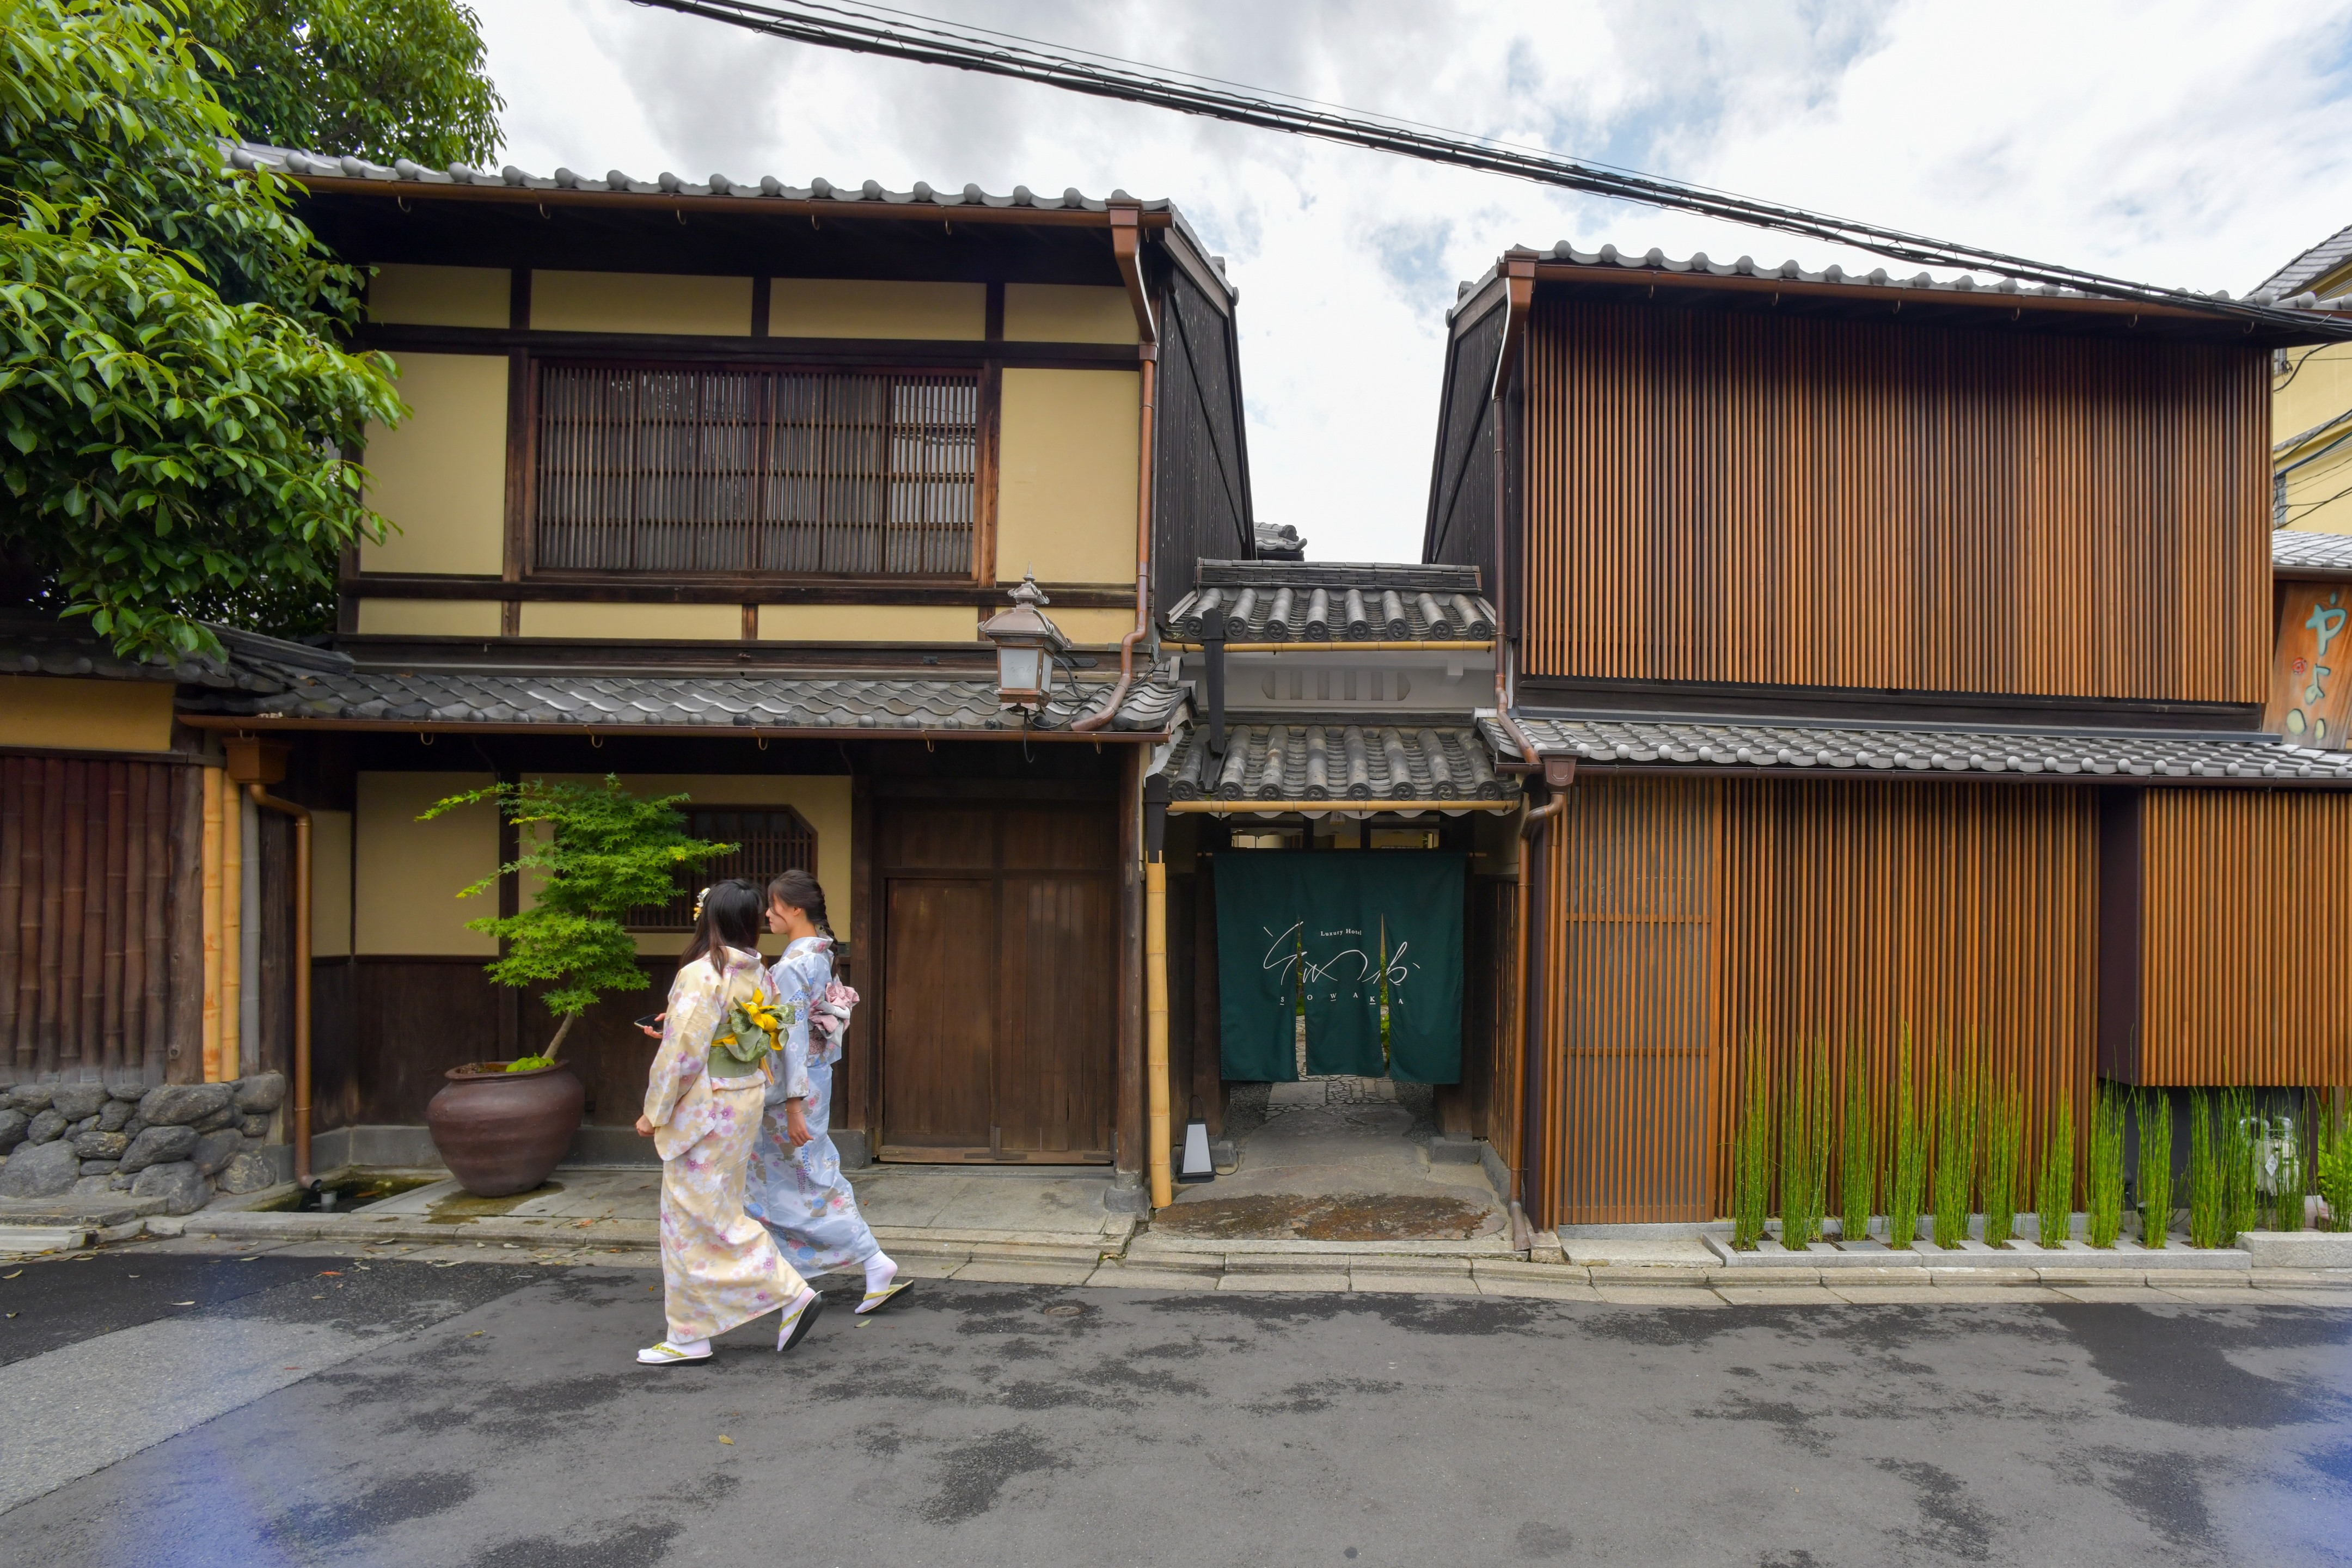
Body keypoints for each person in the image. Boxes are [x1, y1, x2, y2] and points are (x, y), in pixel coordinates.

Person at [634, 879, 826, 1365]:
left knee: (695, 1220)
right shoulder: (756, 973)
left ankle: (786, 1292)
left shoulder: (704, 973)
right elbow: (746, 1036)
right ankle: (691, 1331)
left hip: (705, 1110)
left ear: (709, 918)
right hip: (741, 1101)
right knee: (710, 1214)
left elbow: (682, 1055)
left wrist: (653, 1111)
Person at [744, 868, 911, 1315]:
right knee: (788, 1177)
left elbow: (795, 1035)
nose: (767, 914)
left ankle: (869, 1260)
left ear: (795, 909)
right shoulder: (817, 956)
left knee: (807, 1178)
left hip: (795, 1090)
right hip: (809, 1080)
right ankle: (787, 1275)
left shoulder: (795, 965)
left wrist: (794, 1102)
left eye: (774, 906)